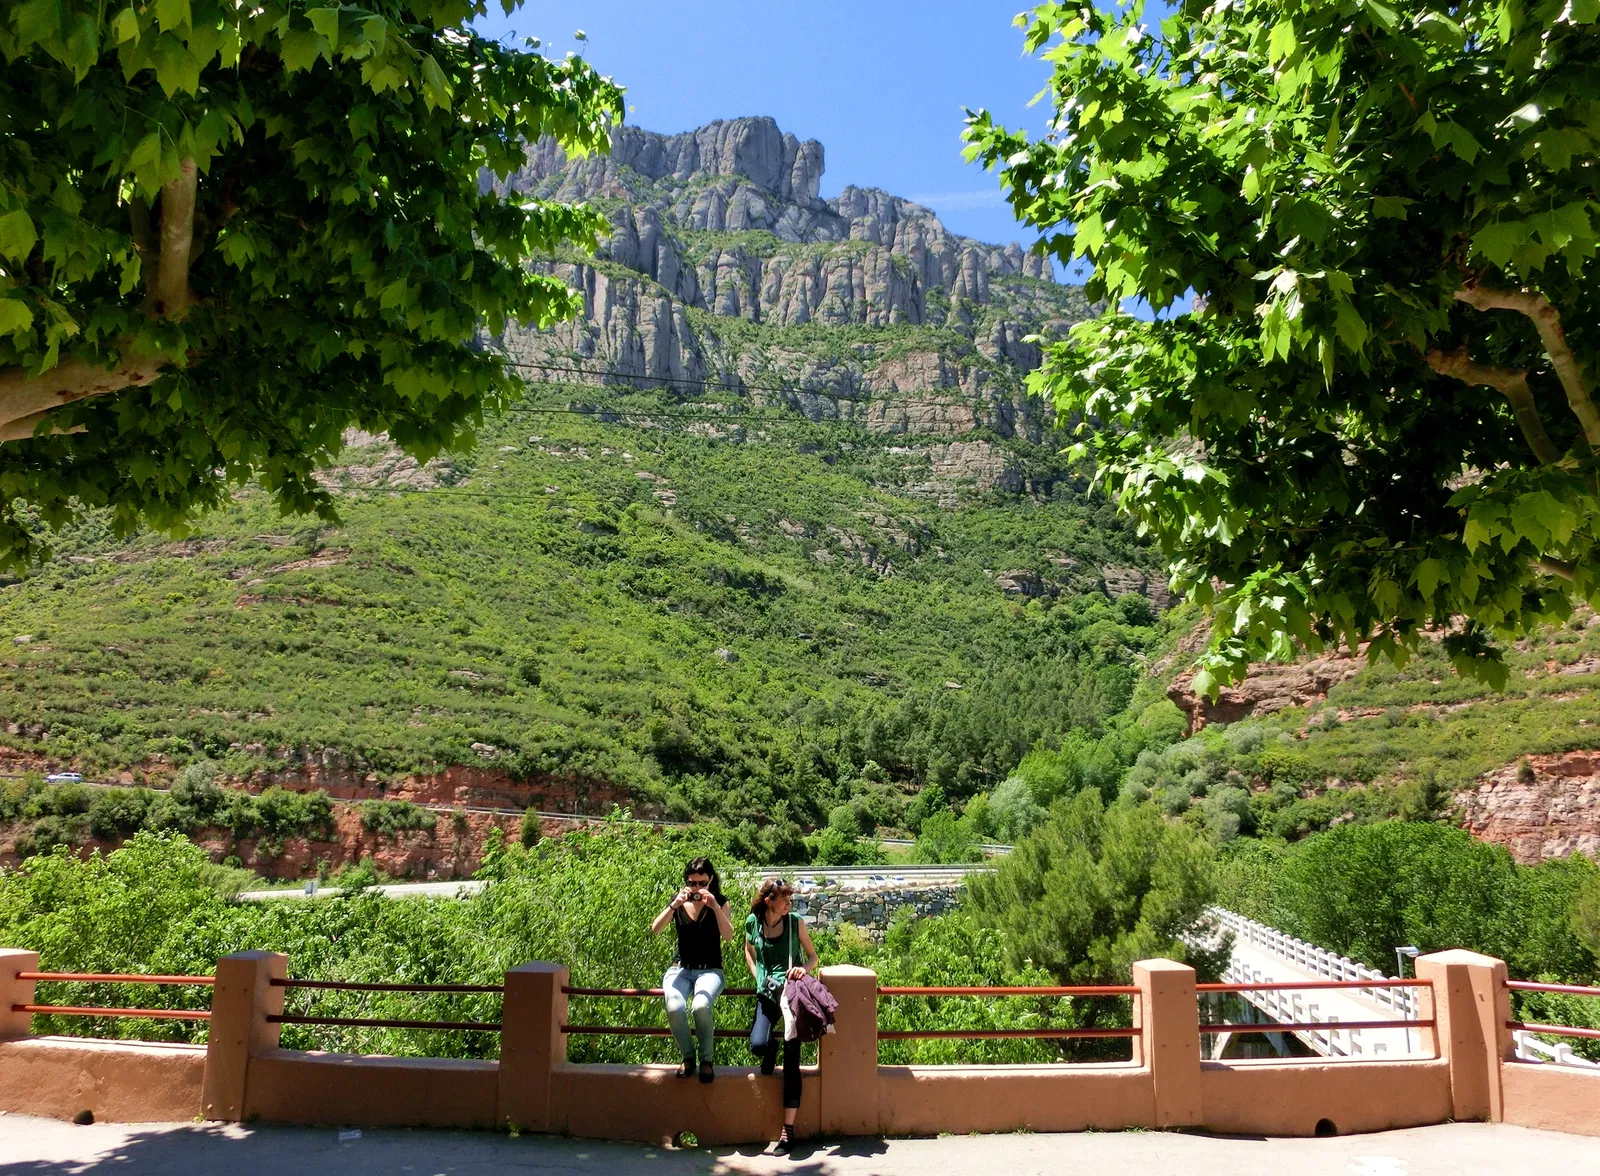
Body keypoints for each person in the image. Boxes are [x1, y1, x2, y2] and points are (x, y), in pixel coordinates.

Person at [745, 877, 819, 1154]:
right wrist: (758, 977)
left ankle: (788, 1131)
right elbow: (748, 951)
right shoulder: (753, 922)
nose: (790, 903)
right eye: (785, 899)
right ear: (769, 902)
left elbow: (813, 957)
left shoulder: (794, 921)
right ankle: (770, 1047)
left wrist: (803, 970)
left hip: (791, 997)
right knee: (758, 1045)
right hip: (767, 995)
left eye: (790, 899)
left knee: (792, 1061)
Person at [651, 857, 735, 1082]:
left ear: (711, 880)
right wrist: (674, 905)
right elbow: (656, 928)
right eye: (692, 883)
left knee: (700, 1005)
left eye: (702, 883)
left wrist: (715, 906)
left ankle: (706, 1060)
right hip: (680, 968)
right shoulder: (678, 902)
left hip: (710, 970)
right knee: (674, 1007)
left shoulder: (721, 902)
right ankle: (687, 1058)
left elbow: (728, 936)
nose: (697, 889)